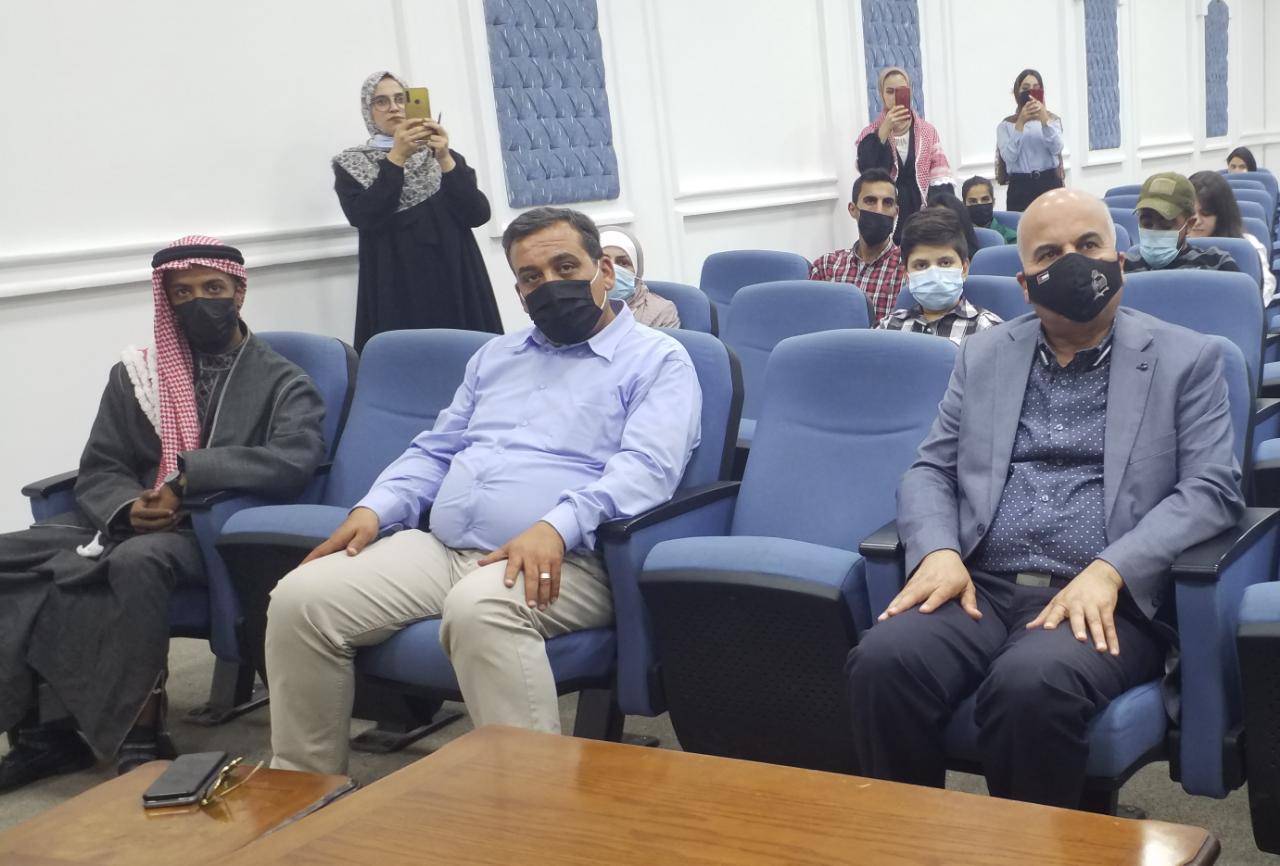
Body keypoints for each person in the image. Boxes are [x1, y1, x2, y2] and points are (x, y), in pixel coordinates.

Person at [264, 207, 702, 775]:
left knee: (481, 608)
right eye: (531, 276)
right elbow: (436, 450)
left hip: (573, 557)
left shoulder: (659, 359)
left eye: (565, 266)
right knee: (300, 599)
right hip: (445, 548)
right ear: (519, 292)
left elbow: (647, 469)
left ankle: (530, 812)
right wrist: (376, 507)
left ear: (603, 271)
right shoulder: (496, 356)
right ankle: (305, 790)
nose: (549, 284)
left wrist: (555, 526)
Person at [846, 188, 1244, 809]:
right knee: (881, 662)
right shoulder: (984, 354)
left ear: (1119, 259)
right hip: (981, 585)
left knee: (1029, 686)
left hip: (1104, 597)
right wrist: (938, 551)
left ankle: (1039, 849)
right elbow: (930, 470)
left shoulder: (1187, 358)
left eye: (1089, 245)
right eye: (1050, 254)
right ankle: (912, 842)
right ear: (1026, 284)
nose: (1075, 262)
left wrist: (1111, 570)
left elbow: (1211, 490)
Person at [0, 237, 326, 791]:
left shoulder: (283, 380)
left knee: (138, 562)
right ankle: (43, 735)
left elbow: (293, 459)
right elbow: (103, 464)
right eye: (183, 292)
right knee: (14, 556)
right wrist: (127, 508)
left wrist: (185, 481)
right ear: (166, 300)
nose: (200, 301)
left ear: (238, 293)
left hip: (209, 527)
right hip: (123, 520)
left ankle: (141, 733)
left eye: (213, 288)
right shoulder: (137, 375)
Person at [334, 70, 503, 352]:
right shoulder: (352, 165)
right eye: (381, 102)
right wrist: (397, 158)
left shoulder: (443, 155)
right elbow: (365, 215)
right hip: (396, 282)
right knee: (408, 361)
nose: (394, 108)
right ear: (368, 111)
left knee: (467, 356)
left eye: (401, 99)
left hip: (456, 277)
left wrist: (445, 159)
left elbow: (477, 214)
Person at [855, 67, 954, 243]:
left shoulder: (927, 131)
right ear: (881, 94)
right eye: (889, 91)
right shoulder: (869, 134)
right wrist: (884, 130)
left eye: (901, 91)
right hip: (885, 211)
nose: (895, 97)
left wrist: (937, 218)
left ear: (910, 92)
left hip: (922, 211)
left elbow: (939, 177)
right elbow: (868, 172)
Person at [877, 209, 1002, 345]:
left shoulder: (989, 330)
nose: (934, 275)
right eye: (921, 265)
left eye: (945, 263)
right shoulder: (888, 327)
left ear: (964, 269)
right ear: (907, 274)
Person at [810, 168, 908, 323]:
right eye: (870, 201)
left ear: (896, 212)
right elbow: (810, 321)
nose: (879, 210)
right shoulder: (826, 267)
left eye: (887, 203)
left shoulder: (907, 269)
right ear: (853, 209)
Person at [1124, 172, 1239, 273]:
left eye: (1166, 226)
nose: (1154, 231)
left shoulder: (1217, 264)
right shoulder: (1125, 268)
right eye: (1146, 224)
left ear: (1189, 224)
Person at [1189, 169, 1275, 304]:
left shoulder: (1247, 247)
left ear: (1222, 215)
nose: (1197, 221)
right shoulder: (1173, 246)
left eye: (1205, 213)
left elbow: (1262, 294)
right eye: (1190, 213)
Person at [995, 69, 1065, 212]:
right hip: (1020, 187)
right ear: (1017, 93)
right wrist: (1020, 123)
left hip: (1049, 182)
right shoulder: (1006, 125)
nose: (1031, 93)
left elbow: (1057, 148)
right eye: (1025, 89)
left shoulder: (1052, 120)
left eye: (1036, 88)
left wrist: (1044, 120)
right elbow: (1009, 157)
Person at [597, 226, 680, 329]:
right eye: (604, 262)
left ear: (638, 270)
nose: (612, 269)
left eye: (623, 263)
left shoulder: (661, 313)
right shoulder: (581, 309)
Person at [962, 175, 1018, 244]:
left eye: (985, 199)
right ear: (964, 205)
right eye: (973, 201)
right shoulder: (958, 237)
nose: (979, 204)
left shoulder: (1011, 238)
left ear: (993, 202)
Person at [926, 190, 981, 258]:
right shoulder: (922, 250)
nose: (941, 223)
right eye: (936, 218)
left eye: (947, 217)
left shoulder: (975, 258)